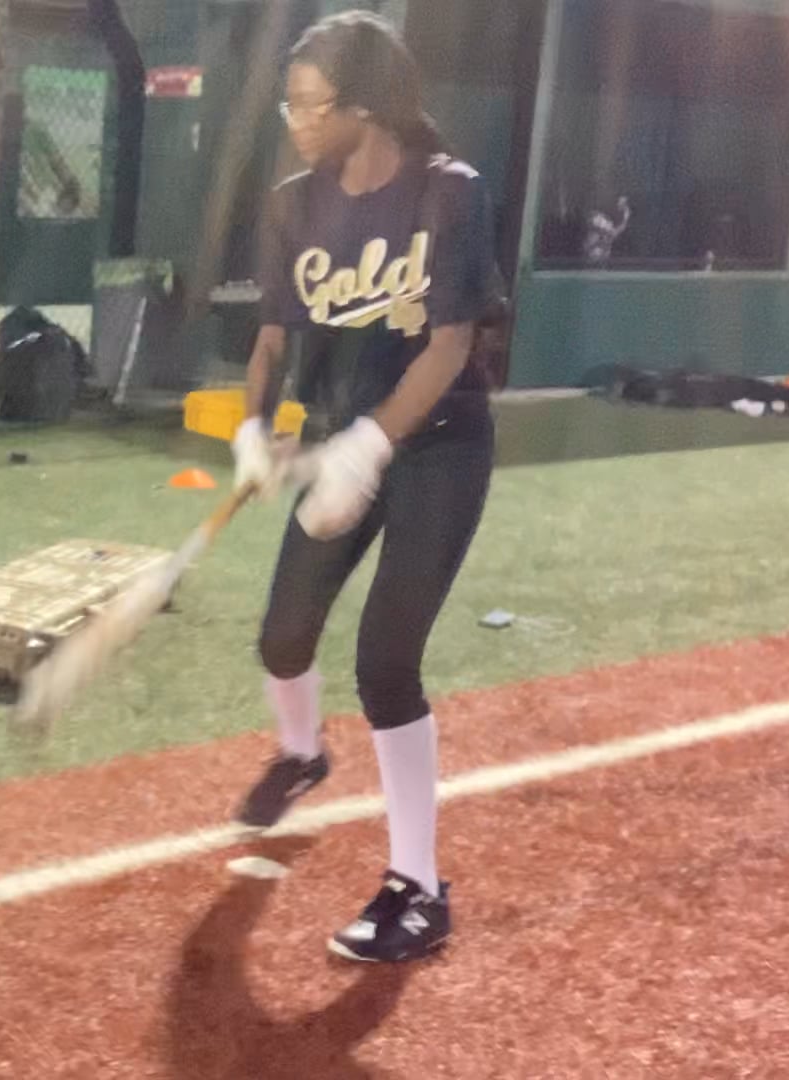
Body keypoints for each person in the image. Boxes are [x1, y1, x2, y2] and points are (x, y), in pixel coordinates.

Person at [229, 11, 500, 964]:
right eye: (290, 105)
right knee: (282, 637)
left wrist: (372, 445)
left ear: (367, 107)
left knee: (385, 663)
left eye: (312, 105)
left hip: (438, 447)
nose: (297, 122)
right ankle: (303, 755)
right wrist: (253, 428)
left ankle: (418, 890)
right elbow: (271, 338)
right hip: (343, 438)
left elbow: (451, 343)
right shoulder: (293, 204)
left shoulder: (447, 192)